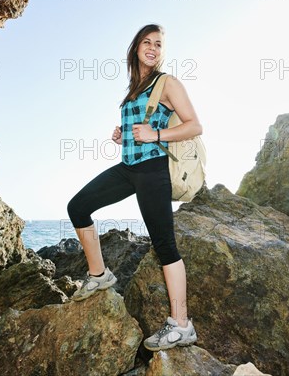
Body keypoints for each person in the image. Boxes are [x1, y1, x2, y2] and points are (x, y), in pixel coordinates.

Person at [66, 23, 202, 351]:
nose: (153, 48)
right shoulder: (134, 87)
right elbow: (140, 129)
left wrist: (154, 135)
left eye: (158, 44)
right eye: (147, 42)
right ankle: (99, 275)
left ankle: (182, 325)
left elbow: (195, 125)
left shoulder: (167, 83)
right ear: (136, 47)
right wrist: (123, 136)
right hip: (129, 169)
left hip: (153, 171)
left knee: (165, 245)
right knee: (78, 207)